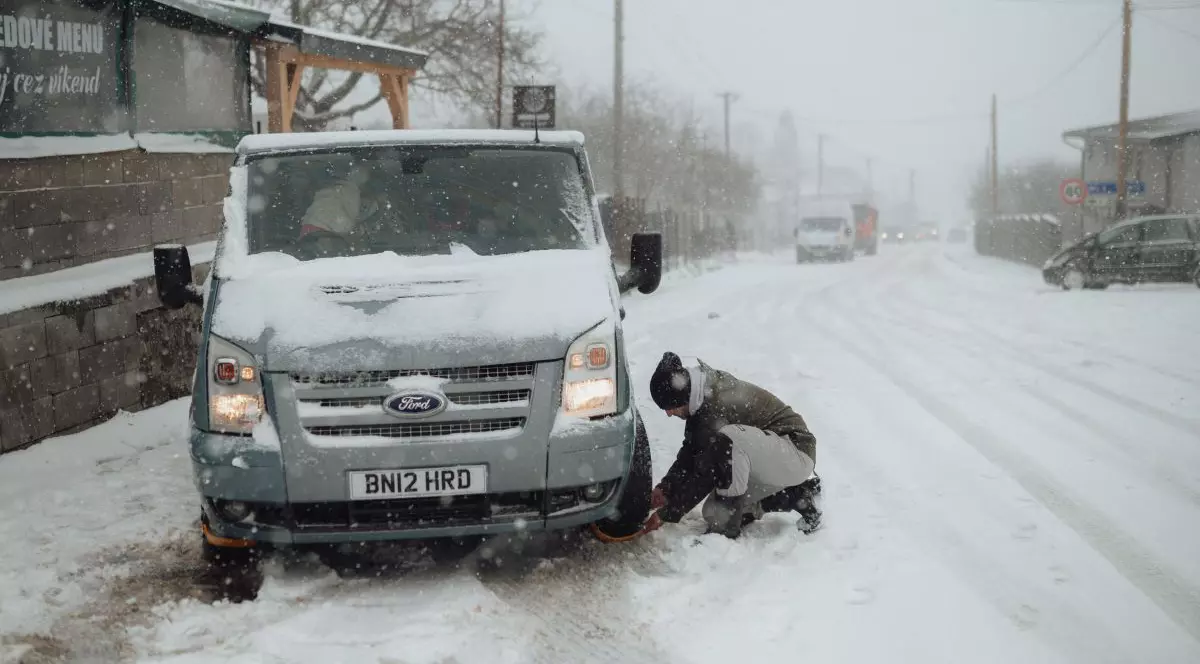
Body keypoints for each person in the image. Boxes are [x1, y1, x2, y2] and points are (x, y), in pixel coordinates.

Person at [641, 352, 822, 539]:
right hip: (769, 456)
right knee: (713, 513)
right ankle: (793, 495)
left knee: (728, 441)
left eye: (669, 407)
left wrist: (667, 513)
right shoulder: (699, 396)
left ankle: (724, 533)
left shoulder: (714, 406)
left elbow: (705, 474)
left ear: (682, 397)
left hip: (795, 449)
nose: (669, 414)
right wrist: (666, 488)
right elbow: (692, 451)